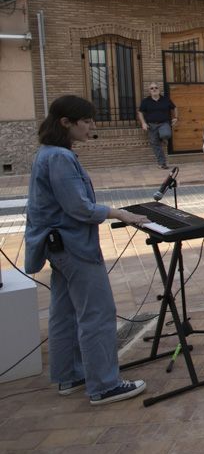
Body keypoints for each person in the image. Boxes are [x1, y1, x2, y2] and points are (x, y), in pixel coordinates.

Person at [24, 95, 150, 405]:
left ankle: (71, 375)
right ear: (65, 123)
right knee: (97, 313)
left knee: (65, 312)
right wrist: (119, 213)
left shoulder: (48, 154)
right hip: (74, 247)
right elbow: (78, 207)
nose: (91, 126)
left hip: (58, 246)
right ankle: (105, 385)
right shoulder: (59, 158)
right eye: (86, 121)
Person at [137, 82, 177, 170]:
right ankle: (162, 163)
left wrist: (175, 118)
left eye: (156, 88)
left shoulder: (165, 99)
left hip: (164, 123)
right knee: (155, 145)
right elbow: (140, 112)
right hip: (151, 125)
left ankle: (163, 137)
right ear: (149, 91)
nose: (154, 89)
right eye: (152, 88)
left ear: (159, 90)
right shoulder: (146, 101)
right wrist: (143, 123)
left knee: (166, 134)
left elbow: (174, 108)